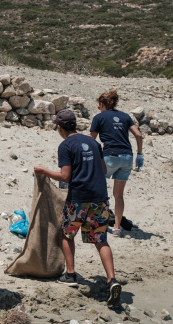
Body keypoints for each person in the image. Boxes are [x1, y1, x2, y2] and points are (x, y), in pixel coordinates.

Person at [34, 109, 121, 306]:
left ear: (59, 128)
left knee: (68, 233)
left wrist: (44, 171)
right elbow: (104, 169)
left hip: (78, 199)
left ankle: (71, 274)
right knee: (100, 239)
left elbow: (65, 177)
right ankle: (112, 280)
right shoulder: (93, 142)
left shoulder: (65, 146)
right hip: (100, 198)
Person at [89, 90, 144, 236]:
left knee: (97, 188)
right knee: (118, 195)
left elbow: (91, 139)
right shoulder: (125, 116)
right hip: (127, 157)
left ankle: (97, 223)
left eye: (99, 106)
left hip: (110, 156)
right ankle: (117, 228)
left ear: (102, 104)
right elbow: (138, 135)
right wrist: (139, 154)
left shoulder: (99, 117)